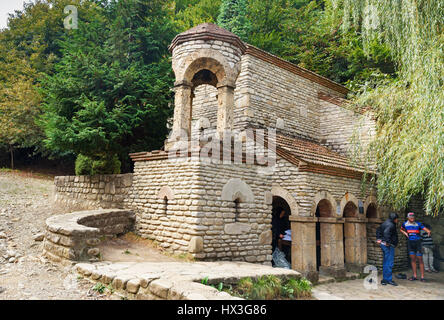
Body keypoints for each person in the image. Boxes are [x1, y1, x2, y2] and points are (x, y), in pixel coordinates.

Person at [400, 212, 431, 282]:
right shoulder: (405, 224)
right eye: (411, 217)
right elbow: (401, 229)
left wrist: (428, 231)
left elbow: (426, 229)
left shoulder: (418, 224)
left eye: (413, 217)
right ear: (408, 218)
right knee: (413, 259)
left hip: (418, 243)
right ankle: (415, 276)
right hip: (410, 243)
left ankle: (422, 277)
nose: (412, 219)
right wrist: (405, 233)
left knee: (420, 259)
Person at [376, 213, 399, 286]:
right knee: (389, 262)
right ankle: (388, 279)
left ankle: (385, 279)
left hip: (383, 245)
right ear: (394, 218)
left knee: (386, 262)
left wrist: (379, 238)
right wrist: (388, 242)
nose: (397, 220)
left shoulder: (384, 223)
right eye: (397, 219)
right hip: (388, 246)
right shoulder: (391, 225)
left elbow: (378, 230)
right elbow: (386, 233)